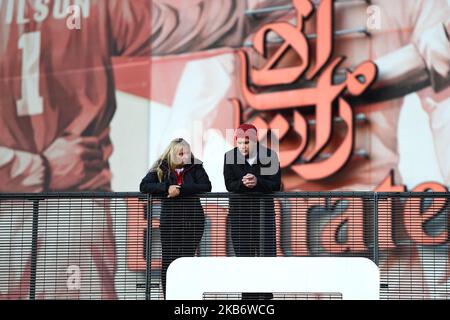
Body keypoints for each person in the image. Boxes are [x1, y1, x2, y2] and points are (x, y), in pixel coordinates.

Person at [0, 0, 292, 299]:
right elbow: (213, 183)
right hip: (60, 205)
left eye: (246, 139)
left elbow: (242, 184)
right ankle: (181, 297)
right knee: (180, 262)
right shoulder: (204, 161)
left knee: (247, 258)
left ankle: (257, 299)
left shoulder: (255, 158)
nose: (184, 155)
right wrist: (171, 189)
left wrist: (251, 184)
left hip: (96, 210)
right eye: (181, 152)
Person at [140, 138, 211, 299]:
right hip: (170, 222)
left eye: (187, 152)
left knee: (187, 260)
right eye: (181, 153)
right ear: (172, 154)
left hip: (193, 221)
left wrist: (180, 189)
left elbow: (206, 185)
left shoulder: (196, 166)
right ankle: (170, 296)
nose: (185, 156)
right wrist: (167, 187)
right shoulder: (161, 166)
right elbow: (144, 186)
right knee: (169, 262)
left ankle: (187, 296)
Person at [223, 124, 281, 300]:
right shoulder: (229, 156)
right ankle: (248, 300)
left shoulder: (270, 155)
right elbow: (229, 184)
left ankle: (265, 298)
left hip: (264, 217)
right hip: (240, 217)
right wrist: (242, 183)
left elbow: (275, 184)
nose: (242, 147)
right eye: (239, 143)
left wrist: (257, 182)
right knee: (244, 259)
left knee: (266, 258)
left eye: (246, 143)